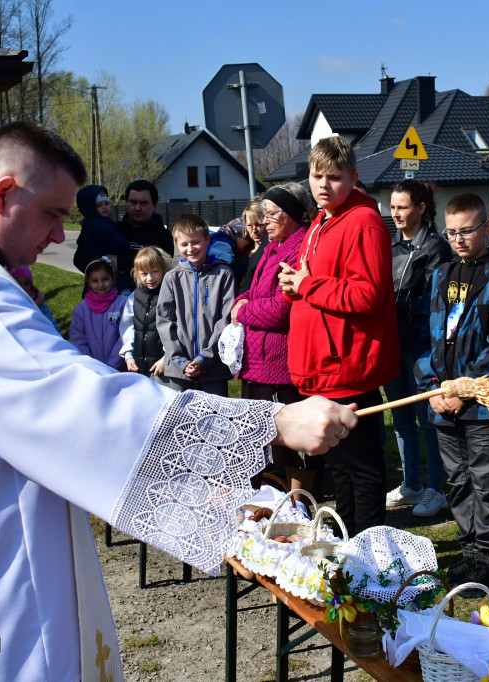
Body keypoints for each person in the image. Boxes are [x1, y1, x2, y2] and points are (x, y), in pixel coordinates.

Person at [0, 121, 356, 680]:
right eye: (53, 214)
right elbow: (81, 401)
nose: (60, 238)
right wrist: (275, 421)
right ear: (4, 194)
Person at [279, 135, 399, 534]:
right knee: (342, 465)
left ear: (354, 177)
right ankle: (346, 540)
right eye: (317, 176)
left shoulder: (363, 222)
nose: (323, 186)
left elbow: (367, 295)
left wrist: (309, 285)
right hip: (323, 366)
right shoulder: (321, 220)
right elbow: (315, 281)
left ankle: (369, 550)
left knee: (362, 465)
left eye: (334, 177)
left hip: (348, 364)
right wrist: (295, 285)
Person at [416, 193, 489, 591]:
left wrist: (466, 390)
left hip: (482, 405)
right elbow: (430, 337)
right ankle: (468, 551)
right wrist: (431, 387)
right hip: (442, 402)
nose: (459, 239)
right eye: (451, 232)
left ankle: (488, 555)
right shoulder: (441, 275)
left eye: (467, 231)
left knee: (487, 478)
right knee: (457, 479)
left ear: (485, 229)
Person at [231, 184, 311, 491]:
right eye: (263, 214)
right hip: (256, 362)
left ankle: (299, 507)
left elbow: (282, 309)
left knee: (292, 445)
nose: (264, 221)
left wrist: (243, 312)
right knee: (254, 441)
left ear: (290, 213)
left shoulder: (299, 249)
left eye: (272, 213)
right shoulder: (271, 248)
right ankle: (264, 507)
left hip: (281, 364)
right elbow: (253, 289)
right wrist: (243, 301)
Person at [383, 179, 451, 518]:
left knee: (429, 420)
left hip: (421, 346)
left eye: (402, 207)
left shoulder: (436, 249)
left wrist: (409, 333)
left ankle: (437, 489)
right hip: (392, 344)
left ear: (421, 208)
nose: (395, 213)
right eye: (392, 207)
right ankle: (412, 484)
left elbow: (431, 301)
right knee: (401, 418)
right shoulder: (389, 246)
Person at [156, 214, 235, 396]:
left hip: (214, 367)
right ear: (177, 244)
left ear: (207, 239)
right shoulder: (172, 278)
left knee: (216, 416)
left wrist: (203, 358)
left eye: (195, 242)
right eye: (184, 244)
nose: (190, 249)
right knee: (181, 419)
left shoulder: (224, 274)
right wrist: (180, 361)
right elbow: (164, 322)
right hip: (178, 370)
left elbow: (226, 320)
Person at [70, 257, 131, 371]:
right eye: (95, 281)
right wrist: (91, 364)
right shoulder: (82, 309)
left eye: (105, 279)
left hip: (118, 368)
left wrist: (111, 365)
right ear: (88, 282)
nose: (101, 284)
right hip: (91, 369)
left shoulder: (122, 306)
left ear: (113, 278)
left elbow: (125, 336)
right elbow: (77, 338)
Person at [120, 245, 172, 377]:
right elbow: (127, 326)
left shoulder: (170, 294)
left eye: (154, 271)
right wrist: (128, 354)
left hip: (163, 365)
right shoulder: (135, 296)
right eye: (144, 273)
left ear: (163, 268)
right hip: (139, 365)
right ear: (137, 273)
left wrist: (167, 357)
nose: (150, 278)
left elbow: (175, 327)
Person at [72, 185, 133, 291]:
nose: (104, 207)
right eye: (99, 205)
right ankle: (125, 293)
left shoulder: (94, 222)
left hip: (100, 259)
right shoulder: (98, 224)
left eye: (106, 203)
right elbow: (114, 238)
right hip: (103, 256)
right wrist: (128, 245)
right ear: (90, 208)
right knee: (123, 279)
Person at [120, 179, 175, 263]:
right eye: (133, 202)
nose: (137, 208)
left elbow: (158, 265)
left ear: (155, 205)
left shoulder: (164, 237)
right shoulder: (114, 231)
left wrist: (120, 262)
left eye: (143, 203)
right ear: (126, 203)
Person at [9, 264, 61, 333]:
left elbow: (53, 327)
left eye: (26, 284)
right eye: (18, 283)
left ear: (31, 286)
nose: (22, 287)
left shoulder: (40, 304)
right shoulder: (9, 303)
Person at [238, 199, 267, 292]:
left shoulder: (273, 251)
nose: (254, 230)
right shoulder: (240, 250)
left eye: (259, 224)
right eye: (249, 225)